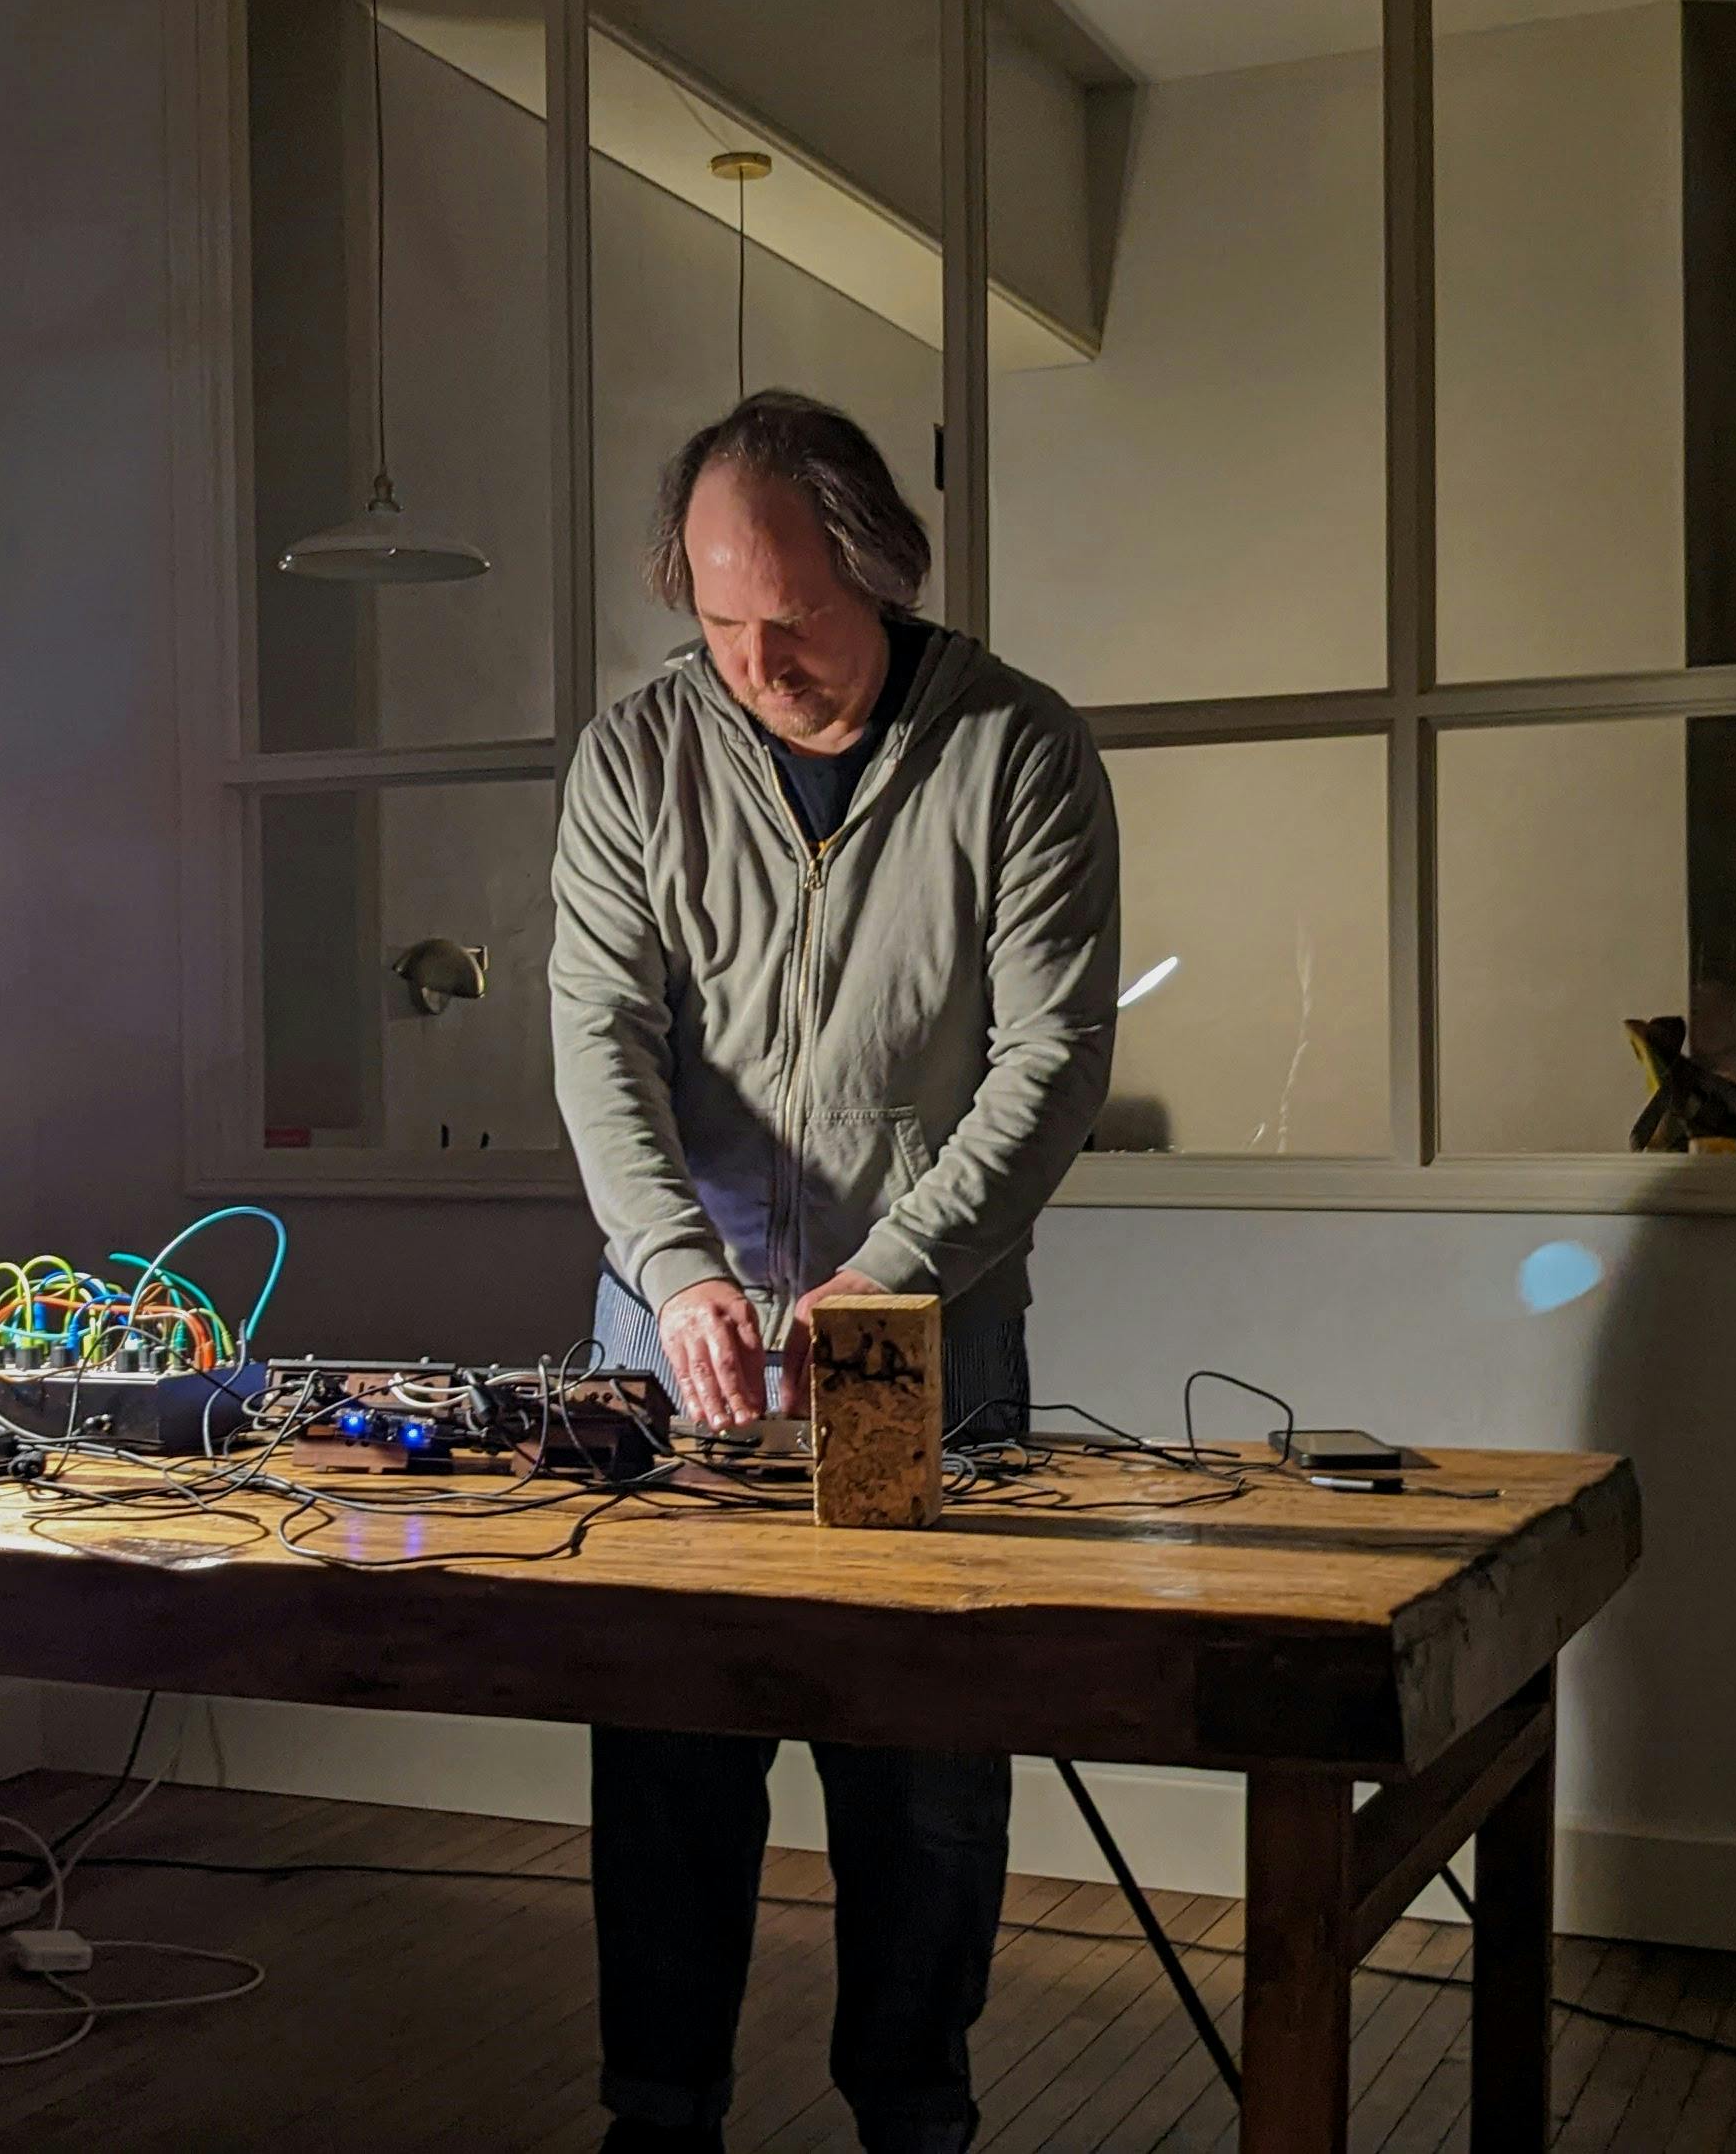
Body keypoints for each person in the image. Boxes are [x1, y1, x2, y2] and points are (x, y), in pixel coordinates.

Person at [547, 390, 1122, 2154]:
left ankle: (916, 2117)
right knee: (665, 1761)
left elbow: (1052, 1059)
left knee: (919, 1775)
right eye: (718, 620)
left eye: (790, 616)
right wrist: (675, 1266)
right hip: (680, 1329)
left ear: (879, 568)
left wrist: (897, 1274)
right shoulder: (637, 752)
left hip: (915, 1333)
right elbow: (599, 1032)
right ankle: (660, 2116)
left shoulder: (1016, 748)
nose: (755, 658)